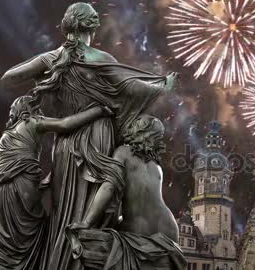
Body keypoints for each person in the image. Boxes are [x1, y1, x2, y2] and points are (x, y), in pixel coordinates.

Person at [0, 2, 177, 270]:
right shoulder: (103, 60)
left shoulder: (52, 59)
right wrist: (163, 86)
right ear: (92, 27)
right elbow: (134, 90)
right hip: (100, 137)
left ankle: (59, 263)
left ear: (67, 26)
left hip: (65, 142)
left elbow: (9, 78)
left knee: (63, 210)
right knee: (98, 209)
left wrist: (46, 68)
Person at [0, 95, 112, 270]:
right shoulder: (33, 121)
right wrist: (99, 110)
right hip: (21, 188)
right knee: (31, 241)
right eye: (35, 106)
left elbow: (16, 165)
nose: (40, 109)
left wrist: (45, 181)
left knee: (3, 254)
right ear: (28, 109)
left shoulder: (6, 134)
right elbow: (65, 124)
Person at [66, 115, 185, 270]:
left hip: (140, 230)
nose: (132, 125)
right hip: (170, 231)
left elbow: (109, 187)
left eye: (136, 124)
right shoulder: (156, 166)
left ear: (141, 131)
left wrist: (86, 222)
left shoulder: (123, 152)